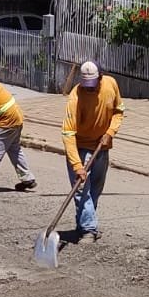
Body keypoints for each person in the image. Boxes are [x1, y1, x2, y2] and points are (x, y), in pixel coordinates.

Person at [62, 60, 125, 241]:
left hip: (101, 147)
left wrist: (110, 132)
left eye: (92, 85)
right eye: (85, 85)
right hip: (80, 147)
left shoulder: (111, 84)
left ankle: (84, 224)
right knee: (81, 190)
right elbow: (68, 134)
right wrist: (77, 166)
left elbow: (118, 111)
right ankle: (89, 229)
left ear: (100, 78)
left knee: (95, 190)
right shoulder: (75, 97)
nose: (89, 89)